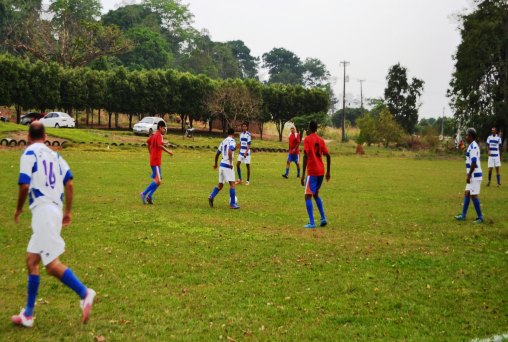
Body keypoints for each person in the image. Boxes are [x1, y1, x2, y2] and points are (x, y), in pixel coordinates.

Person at [11, 122, 95, 328]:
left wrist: (19, 208)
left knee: (51, 265)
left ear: (29, 137)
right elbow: (70, 182)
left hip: (43, 211)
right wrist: (67, 211)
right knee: (32, 261)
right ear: (45, 137)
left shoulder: (29, 153)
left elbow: (24, 184)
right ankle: (28, 314)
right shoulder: (56, 156)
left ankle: (85, 293)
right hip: (54, 211)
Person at [300, 120, 331, 228]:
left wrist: (303, 174)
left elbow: (305, 156)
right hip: (321, 172)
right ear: (316, 128)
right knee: (316, 194)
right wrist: (328, 172)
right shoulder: (321, 140)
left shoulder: (307, 139)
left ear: (309, 128)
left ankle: (312, 222)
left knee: (307, 196)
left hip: (312, 172)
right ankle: (323, 218)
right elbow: (328, 155)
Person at [140, 120, 173, 204]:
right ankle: (144, 193)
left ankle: (149, 196)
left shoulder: (155, 135)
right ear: (160, 128)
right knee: (158, 181)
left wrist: (150, 152)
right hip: (155, 161)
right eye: (164, 128)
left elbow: (148, 142)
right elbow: (159, 145)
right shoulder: (159, 135)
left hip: (155, 161)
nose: (165, 130)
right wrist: (168, 151)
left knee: (159, 179)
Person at [455, 128, 484, 224]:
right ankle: (463, 215)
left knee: (474, 195)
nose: (466, 137)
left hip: (474, 176)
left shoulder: (473, 147)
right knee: (467, 193)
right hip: (473, 175)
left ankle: (480, 217)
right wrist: (462, 147)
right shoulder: (471, 146)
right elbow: (468, 154)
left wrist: (469, 176)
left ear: (471, 136)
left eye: (467, 135)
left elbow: (474, 162)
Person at [208, 128, 240, 209]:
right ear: (233, 134)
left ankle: (211, 196)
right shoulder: (232, 141)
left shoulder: (223, 141)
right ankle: (233, 204)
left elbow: (217, 154)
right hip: (227, 166)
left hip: (222, 165)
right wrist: (230, 162)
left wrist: (215, 163)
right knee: (232, 184)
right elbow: (230, 150)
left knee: (220, 185)